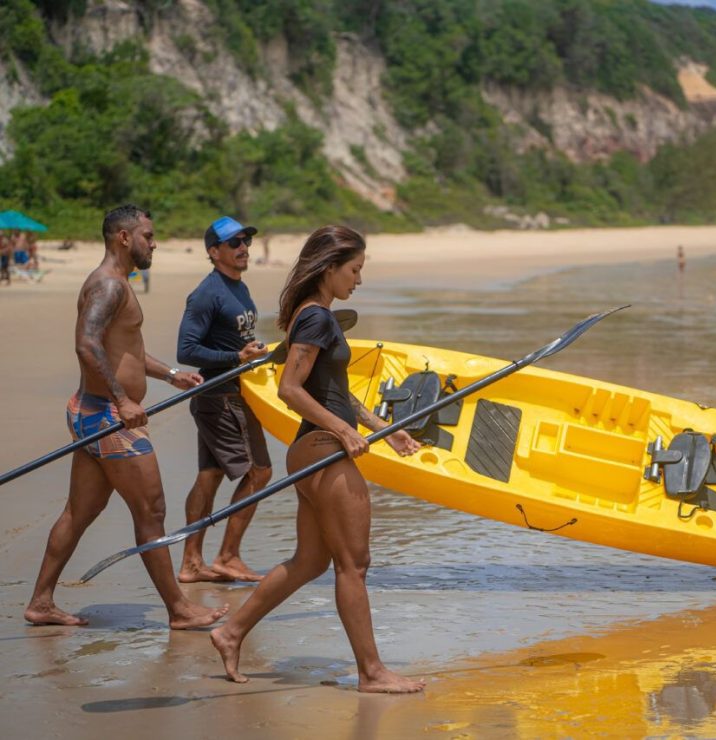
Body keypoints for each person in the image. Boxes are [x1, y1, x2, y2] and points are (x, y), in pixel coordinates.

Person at [211, 225, 425, 693]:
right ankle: (372, 673)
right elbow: (290, 389)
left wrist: (382, 431)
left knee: (310, 561)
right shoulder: (316, 319)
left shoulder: (315, 317)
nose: (358, 281)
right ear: (329, 269)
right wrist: (344, 431)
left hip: (312, 450)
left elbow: (334, 393)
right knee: (355, 564)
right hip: (322, 452)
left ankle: (230, 631)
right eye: (354, 270)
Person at [23, 204, 229, 629]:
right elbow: (87, 345)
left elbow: (127, 352)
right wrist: (123, 401)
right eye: (148, 236)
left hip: (92, 412)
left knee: (79, 512)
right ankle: (179, 609)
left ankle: (40, 602)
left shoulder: (116, 284)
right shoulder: (109, 286)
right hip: (106, 419)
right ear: (123, 237)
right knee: (151, 510)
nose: (153, 244)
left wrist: (171, 375)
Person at [176, 217, 273, 583]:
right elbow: (186, 350)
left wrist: (250, 352)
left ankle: (191, 563)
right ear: (214, 252)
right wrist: (237, 359)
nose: (243, 247)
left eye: (246, 240)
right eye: (234, 243)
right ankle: (228, 557)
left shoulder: (238, 287)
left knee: (210, 474)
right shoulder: (207, 293)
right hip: (220, 397)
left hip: (231, 393)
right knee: (260, 471)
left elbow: (234, 340)